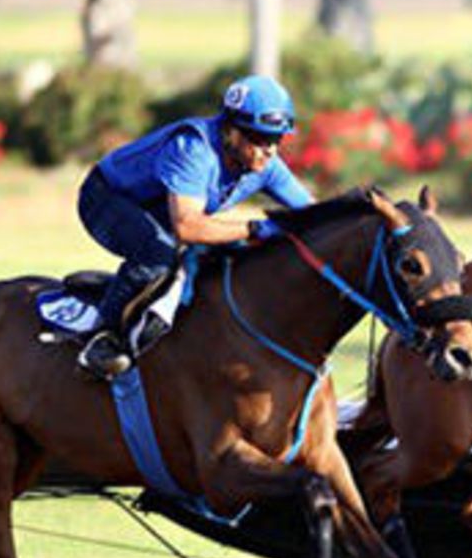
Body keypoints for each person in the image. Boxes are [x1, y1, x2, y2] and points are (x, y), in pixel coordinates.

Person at [74, 74, 315, 378]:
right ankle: (102, 338)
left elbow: (313, 213)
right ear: (230, 130)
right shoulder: (193, 148)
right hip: (106, 198)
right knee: (157, 256)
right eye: (259, 138)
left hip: (162, 216)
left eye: (276, 140)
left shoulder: (267, 167)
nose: (269, 150)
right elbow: (187, 228)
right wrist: (255, 229)